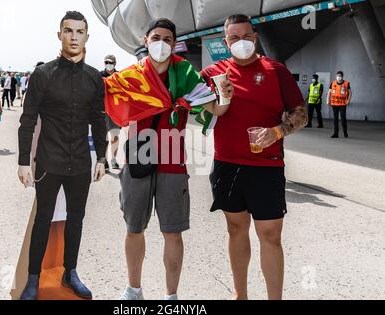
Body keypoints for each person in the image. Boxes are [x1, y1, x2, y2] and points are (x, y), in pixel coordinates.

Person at [105, 18, 225, 300]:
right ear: (145, 40)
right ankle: (133, 290)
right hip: (137, 151)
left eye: (167, 39)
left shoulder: (186, 74)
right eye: (156, 37)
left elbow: (214, 109)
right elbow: (105, 98)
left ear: (175, 44)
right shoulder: (130, 76)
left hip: (172, 155)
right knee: (134, 228)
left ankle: (171, 296)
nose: (161, 44)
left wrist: (225, 96)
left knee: (173, 232)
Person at [200, 14, 307, 300]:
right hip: (227, 165)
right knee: (236, 230)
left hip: (267, 167)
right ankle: (240, 294)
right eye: (234, 38)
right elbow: (186, 100)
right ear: (225, 42)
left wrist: (278, 131)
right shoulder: (214, 73)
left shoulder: (275, 71)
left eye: (246, 36)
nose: (241, 42)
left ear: (255, 37)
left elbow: (301, 112)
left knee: (270, 235)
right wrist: (212, 105)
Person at [17, 10, 107, 300]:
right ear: (60, 35)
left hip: (81, 161)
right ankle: (33, 278)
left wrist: (103, 159)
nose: (74, 37)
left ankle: (71, 272)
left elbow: (98, 120)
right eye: (68, 31)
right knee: (43, 219)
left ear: (87, 37)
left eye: (79, 32)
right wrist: (22, 162)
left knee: (76, 219)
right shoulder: (43, 75)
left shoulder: (95, 78)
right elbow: (27, 120)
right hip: (48, 161)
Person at [100, 54, 120, 170]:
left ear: (114, 63)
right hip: (102, 111)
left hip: (115, 112)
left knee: (115, 136)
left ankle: (113, 160)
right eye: (106, 62)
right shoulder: (98, 76)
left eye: (110, 62)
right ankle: (104, 161)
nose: (108, 64)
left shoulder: (119, 76)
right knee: (103, 138)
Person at [327, 71, 351, 138]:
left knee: (343, 119)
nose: (338, 77)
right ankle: (335, 133)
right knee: (335, 119)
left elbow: (350, 93)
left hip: (343, 104)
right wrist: (327, 100)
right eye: (337, 76)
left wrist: (348, 100)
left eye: (340, 76)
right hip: (334, 104)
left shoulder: (346, 83)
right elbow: (329, 92)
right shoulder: (333, 83)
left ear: (342, 76)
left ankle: (345, 132)